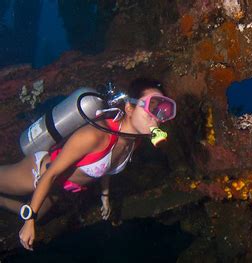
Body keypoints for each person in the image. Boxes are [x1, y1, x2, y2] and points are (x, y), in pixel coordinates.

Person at [0, 78, 176, 250]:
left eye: (161, 112)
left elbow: (107, 167)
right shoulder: (95, 136)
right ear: (129, 108)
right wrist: (29, 220)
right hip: (37, 173)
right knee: (30, 215)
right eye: (151, 108)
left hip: (59, 189)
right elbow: (51, 173)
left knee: (34, 215)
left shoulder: (133, 142)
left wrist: (104, 196)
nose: (156, 119)